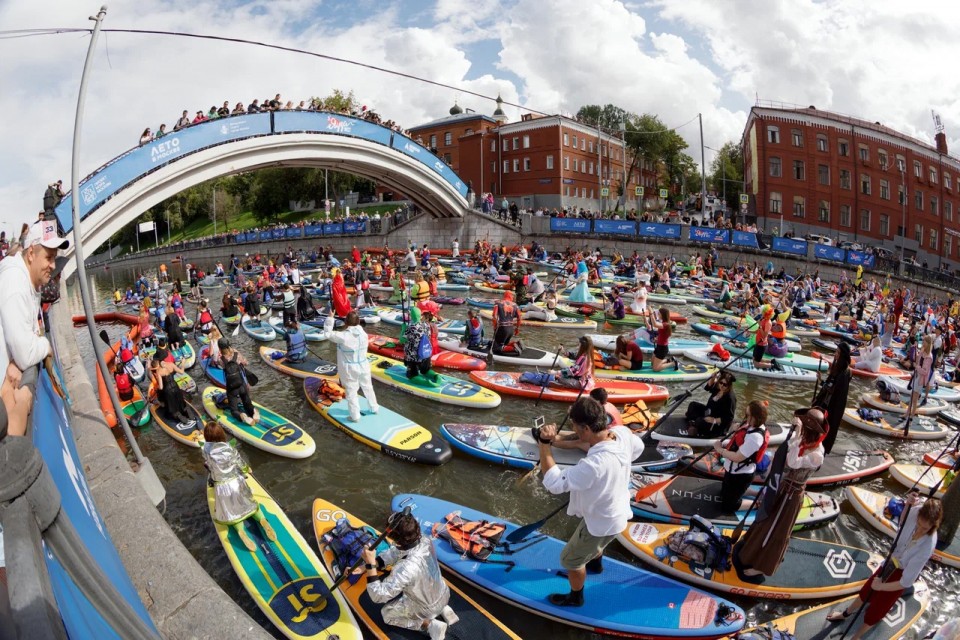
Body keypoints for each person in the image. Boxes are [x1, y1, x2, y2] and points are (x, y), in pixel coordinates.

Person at [537, 396, 644, 606]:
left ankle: (576, 597)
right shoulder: (622, 433)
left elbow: (554, 483)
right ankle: (595, 565)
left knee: (569, 560)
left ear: (586, 428)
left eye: (574, 425)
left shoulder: (593, 464)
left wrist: (544, 444)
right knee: (595, 542)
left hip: (602, 521)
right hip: (615, 512)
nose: (573, 429)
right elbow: (638, 448)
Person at [826, 495, 941, 639]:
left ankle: (857, 637)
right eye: (919, 524)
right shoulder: (916, 511)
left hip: (902, 573)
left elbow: (905, 582)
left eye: (925, 528)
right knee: (867, 590)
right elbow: (902, 522)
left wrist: (881, 586)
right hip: (892, 560)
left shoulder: (927, 546)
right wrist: (907, 505)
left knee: (877, 610)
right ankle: (845, 614)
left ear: (933, 525)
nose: (920, 530)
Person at [733, 408, 827, 581]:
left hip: (791, 496)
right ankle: (750, 550)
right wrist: (796, 436)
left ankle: (761, 567)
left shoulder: (817, 454)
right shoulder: (804, 441)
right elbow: (787, 453)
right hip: (783, 488)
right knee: (765, 520)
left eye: (805, 430)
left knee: (776, 530)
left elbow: (792, 462)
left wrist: (797, 435)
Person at [360, 511, 455, 640]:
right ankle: (444, 609)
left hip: (427, 609)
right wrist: (371, 564)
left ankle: (430, 625)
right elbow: (397, 552)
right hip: (444, 592)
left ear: (396, 540)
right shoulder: (424, 538)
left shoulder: (404, 568)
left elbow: (378, 596)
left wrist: (370, 566)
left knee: (387, 614)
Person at [201, 420, 276, 552]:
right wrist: (247, 469)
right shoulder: (230, 449)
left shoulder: (205, 450)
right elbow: (240, 463)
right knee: (251, 505)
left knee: (233, 515)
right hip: (236, 482)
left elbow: (208, 465)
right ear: (221, 434)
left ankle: (240, 531)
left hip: (222, 486)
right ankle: (263, 520)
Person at [319, 311, 379, 423]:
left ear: (346, 322)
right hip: (364, 365)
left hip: (350, 368)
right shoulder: (364, 334)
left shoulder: (343, 336)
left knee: (351, 392)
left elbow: (327, 334)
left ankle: (355, 416)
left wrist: (330, 318)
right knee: (368, 387)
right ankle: (374, 408)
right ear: (358, 321)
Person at [714, 400, 767, 514]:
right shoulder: (750, 426)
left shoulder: (756, 437)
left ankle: (758, 503)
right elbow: (737, 441)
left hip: (741, 475)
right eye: (746, 414)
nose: (746, 418)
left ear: (757, 417)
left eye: (748, 415)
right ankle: (757, 493)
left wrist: (720, 450)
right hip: (732, 470)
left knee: (728, 506)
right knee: (723, 494)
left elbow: (738, 457)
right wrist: (734, 429)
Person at [813, 341, 852, 455]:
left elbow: (832, 390)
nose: (835, 354)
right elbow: (830, 385)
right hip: (827, 403)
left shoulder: (844, 373)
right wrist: (818, 396)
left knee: (826, 429)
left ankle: (820, 450)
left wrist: (821, 382)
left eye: (838, 353)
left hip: (832, 408)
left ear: (843, 355)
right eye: (836, 352)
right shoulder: (838, 368)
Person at [150, 338, 190, 423]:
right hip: (175, 386)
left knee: (172, 407)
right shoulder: (171, 364)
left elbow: (161, 387)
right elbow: (182, 372)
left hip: (167, 390)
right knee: (179, 400)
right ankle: (185, 410)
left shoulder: (158, 371)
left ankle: (177, 414)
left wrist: (157, 391)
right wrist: (183, 363)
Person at [686, 370, 737, 437]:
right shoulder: (718, 388)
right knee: (693, 405)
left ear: (729, 386)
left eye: (725, 385)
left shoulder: (730, 398)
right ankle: (694, 423)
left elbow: (729, 418)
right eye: (721, 383)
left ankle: (697, 426)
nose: (722, 385)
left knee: (699, 421)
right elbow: (708, 387)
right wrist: (713, 378)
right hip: (709, 412)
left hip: (717, 423)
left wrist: (714, 420)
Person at [220, 339, 258, 426]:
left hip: (231, 388)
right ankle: (253, 411)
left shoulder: (221, 359)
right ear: (229, 345)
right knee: (247, 403)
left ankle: (242, 415)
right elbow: (246, 363)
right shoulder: (236, 354)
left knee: (234, 410)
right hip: (242, 384)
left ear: (220, 348)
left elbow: (219, 365)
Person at [402, 306, 436, 382]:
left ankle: (426, 382)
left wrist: (403, 329)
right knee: (426, 370)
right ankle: (436, 376)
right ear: (420, 315)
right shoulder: (426, 325)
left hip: (413, 356)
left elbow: (402, 340)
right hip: (425, 354)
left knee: (412, 375)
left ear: (411, 316)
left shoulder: (411, 327)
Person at [909, 334, 937, 412]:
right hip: (916, 375)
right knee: (912, 397)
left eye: (924, 341)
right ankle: (907, 413)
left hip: (920, 379)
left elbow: (925, 371)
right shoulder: (923, 351)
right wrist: (917, 351)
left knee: (914, 399)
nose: (923, 342)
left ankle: (911, 416)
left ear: (928, 343)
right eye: (923, 340)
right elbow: (917, 361)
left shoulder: (929, 357)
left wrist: (916, 367)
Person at [647, 307, 679, 371]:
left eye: (659, 313)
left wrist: (651, 313)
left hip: (662, 348)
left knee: (655, 369)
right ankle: (668, 360)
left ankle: (673, 363)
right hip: (659, 346)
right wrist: (657, 339)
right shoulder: (663, 323)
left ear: (663, 315)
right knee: (652, 365)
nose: (658, 315)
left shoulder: (666, 324)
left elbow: (655, 324)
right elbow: (663, 335)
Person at [491, 290, 523, 355]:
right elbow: (519, 318)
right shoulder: (515, 305)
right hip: (511, 328)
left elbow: (494, 316)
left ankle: (514, 348)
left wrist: (495, 327)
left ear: (504, 295)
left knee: (496, 348)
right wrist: (517, 329)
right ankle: (516, 343)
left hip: (502, 328)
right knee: (504, 344)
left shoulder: (498, 303)